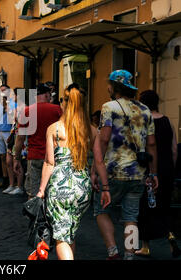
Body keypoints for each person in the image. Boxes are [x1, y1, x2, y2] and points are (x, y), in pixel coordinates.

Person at [36, 83, 111, 260]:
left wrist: (40, 191)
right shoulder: (92, 130)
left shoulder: (54, 129)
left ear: (64, 103)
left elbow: (49, 163)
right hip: (82, 189)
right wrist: (106, 188)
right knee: (69, 232)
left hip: (59, 188)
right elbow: (99, 161)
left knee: (61, 237)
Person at [93, 70, 158, 260]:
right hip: (138, 172)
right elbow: (152, 144)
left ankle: (113, 250)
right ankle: (129, 255)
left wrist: (96, 169)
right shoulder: (145, 110)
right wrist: (154, 174)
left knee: (101, 210)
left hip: (112, 171)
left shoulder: (109, 107)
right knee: (131, 216)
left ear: (114, 87)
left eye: (109, 84)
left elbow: (104, 140)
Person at [135, 90, 181, 258]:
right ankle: (170, 234)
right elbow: (174, 149)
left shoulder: (143, 122)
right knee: (164, 206)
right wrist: (170, 169)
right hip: (167, 170)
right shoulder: (168, 121)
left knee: (141, 209)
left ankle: (142, 246)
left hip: (148, 170)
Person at [13, 83, 62, 199]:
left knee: (33, 193)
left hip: (34, 156)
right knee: (52, 192)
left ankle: (34, 216)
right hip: (53, 157)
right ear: (47, 94)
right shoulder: (58, 110)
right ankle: (48, 216)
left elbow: (19, 139)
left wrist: (17, 159)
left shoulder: (27, 111)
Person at [0, 85, 16, 189]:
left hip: (8, 131)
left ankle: (13, 182)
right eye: (1, 91)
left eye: (4, 90)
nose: (2, 92)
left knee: (10, 157)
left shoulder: (13, 104)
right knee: (2, 156)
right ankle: (5, 179)